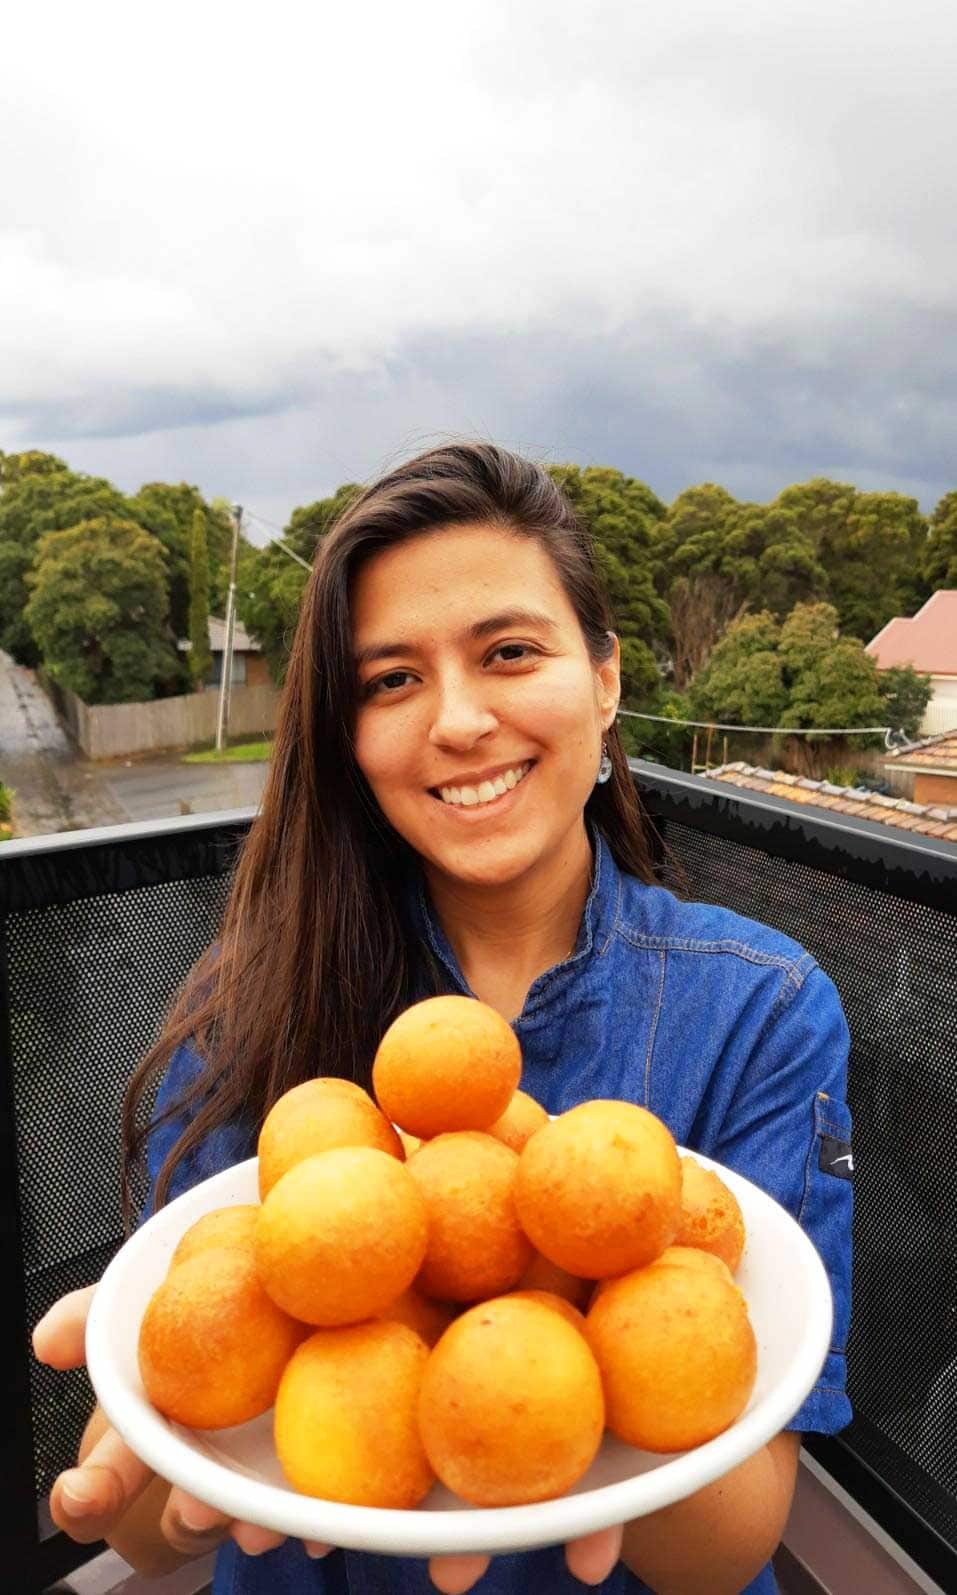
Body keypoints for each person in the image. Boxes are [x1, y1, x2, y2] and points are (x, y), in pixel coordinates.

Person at [33, 442, 853, 1595]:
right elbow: (152, 1504)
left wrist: (572, 1400)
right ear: (347, 731)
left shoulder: (759, 1006)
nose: (459, 721)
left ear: (607, 679)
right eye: (391, 679)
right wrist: (161, 1469)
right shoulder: (259, 992)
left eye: (509, 651)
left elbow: (730, 1546)